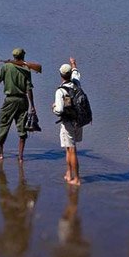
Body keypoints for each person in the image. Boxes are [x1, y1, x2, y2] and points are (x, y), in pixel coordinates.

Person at [0, 47, 37, 162]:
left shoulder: (6, 66)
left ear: (14, 57)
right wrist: (32, 106)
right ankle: (20, 157)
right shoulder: (26, 68)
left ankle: (1, 154)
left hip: (9, 101)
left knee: (3, 125)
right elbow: (29, 89)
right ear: (22, 56)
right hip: (23, 101)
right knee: (22, 129)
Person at [53, 57, 84, 185]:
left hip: (68, 122)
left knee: (71, 149)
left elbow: (59, 110)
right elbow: (76, 73)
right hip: (79, 120)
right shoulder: (76, 83)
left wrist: (53, 107)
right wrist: (74, 64)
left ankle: (76, 178)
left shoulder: (60, 90)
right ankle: (68, 173)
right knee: (69, 148)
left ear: (61, 75)